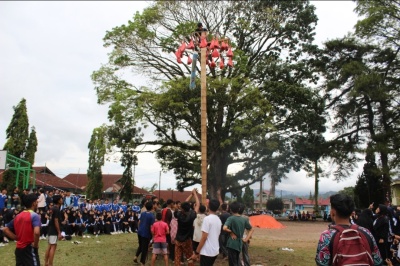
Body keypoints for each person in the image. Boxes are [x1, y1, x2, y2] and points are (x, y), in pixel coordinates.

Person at [315, 194, 382, 266]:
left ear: (333, 212)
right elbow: (377, 261)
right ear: (351, 212)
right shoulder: (366, 232)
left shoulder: (327, 236)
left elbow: (322, 263)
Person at [3, 193, 41, 266]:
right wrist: (35, 245)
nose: (37, 203)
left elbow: (5, 229)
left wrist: (17, 238)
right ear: (33, 203)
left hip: (19, 249)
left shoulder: (18, 216)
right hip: (29, 249)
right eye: (36, 202)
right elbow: (36, 232)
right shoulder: (35, 216)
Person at [190, 199, 221, 266]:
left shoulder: (207, 219)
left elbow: (204, 237)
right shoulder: (218, 219)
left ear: (208, 206)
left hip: (207, 251)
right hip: (215, 249)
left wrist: (196, 252)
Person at [223, 201, 254, 266]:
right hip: (240, 243)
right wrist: (246, 239)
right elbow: (251, 229)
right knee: (237, 261)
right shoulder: (244, 219)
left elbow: (224, 228)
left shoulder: (231, 218)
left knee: (232, 263)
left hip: (232, 243)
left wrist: (231, 232)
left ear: (230, 209)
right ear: (239, 209)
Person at [174, 188, 199, 266]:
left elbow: (184, 203)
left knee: (177, 258)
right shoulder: (191, 215)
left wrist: (191, 194)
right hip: (187, 240)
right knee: (189, 258)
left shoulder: (178, 214)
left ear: (181, 208)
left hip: (178, 239)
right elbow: (198, 204)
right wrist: (194, 194)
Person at [45, 194, 63, 266]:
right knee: (53, 247)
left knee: (49, 246)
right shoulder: (56, 209)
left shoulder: (52, 208)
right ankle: (50, 264)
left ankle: (46, 263)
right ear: (58, 201)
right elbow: (55, 220)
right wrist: (59, 232)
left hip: (50, 228)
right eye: (61, 199)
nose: (62, 200)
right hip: (53, 230)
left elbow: (49, 217)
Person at [134, 201, 155, 266]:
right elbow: (151, 227)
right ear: (152, 207)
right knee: (145, 248)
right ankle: (142, 262)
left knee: (141, 245)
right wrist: (153, 235)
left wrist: (139, 229)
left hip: (140, 232)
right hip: (146, 234)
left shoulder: (143, 213)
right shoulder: (152, 216)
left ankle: (136, 256)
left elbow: (139, 222)